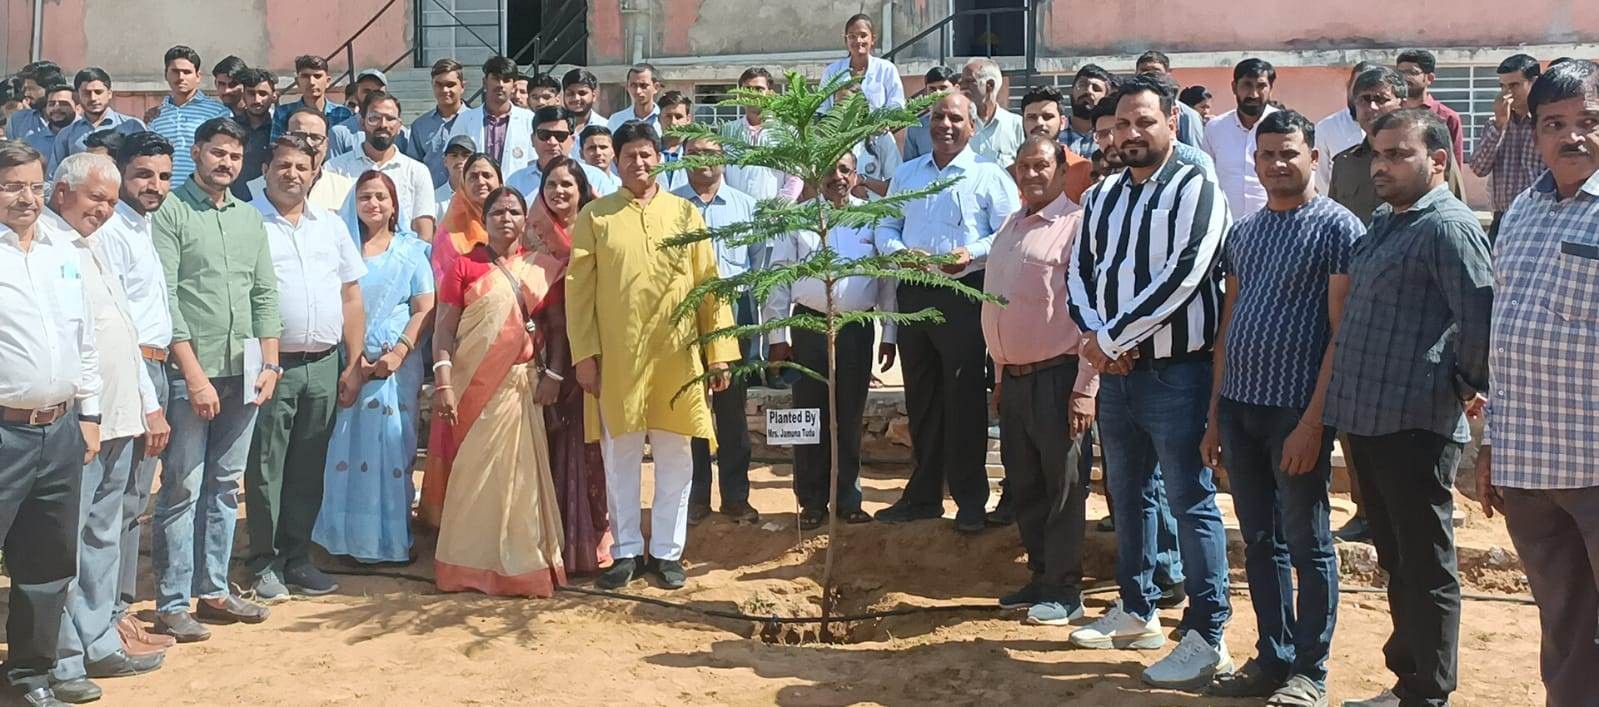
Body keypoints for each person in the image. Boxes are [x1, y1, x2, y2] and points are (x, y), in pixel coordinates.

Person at [1064, 74, 1234, 688]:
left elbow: (1185, 275)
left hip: (1177, 375)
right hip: (1119, 375)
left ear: (1172, 124)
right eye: (1120, 126)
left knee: (1190, 501)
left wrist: (1110, 341)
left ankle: (1208, 632)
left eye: (1144, 122)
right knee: (1127, 493)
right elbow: (1079, 270)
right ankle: (1137, 608)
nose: (1131, 135)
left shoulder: (1198, 188)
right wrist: (1099, 340)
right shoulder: (1104, 195)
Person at [1324, 109, 1493, 707]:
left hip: (1415, 422)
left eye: (1398, 154)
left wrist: (1462, 382)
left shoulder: (1448, 227)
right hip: (1368, 417)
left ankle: (1429, 691)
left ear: (1438, 161)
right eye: (1377, 154)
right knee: (1397, 557)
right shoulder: (1387, 221)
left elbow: (1480, 317)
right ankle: (1408, 681)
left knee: (1425, 561)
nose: (1382, 166)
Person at [1199, 110, 1361, 706]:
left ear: (1314, 157)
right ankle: (1273, 655)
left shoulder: (1339, 229)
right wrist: (1215, 416)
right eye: (1266, 155)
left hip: (1296, 415)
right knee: (1260, 540)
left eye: (1289, 153)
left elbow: (1341, 336)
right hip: (1240, 410)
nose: (1277, 164)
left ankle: (1309, 672)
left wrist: (1314, 424)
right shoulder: (1243, 234)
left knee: (1307, 543)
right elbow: (1229, 327)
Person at [1474, 58, 1599, 707]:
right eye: (1555, 123)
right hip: (1529, 467)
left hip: (1594, 465)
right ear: (1534, 132)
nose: (1571, 136)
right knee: (1564, 627)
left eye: (1588, 121)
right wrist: (1491, 443)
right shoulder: (1519, 211)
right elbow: (1504, 336)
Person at [567, 122, 739, 591]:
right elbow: (579, 294)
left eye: (646, 154)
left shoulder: (685, 214)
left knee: (676, 457)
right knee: (619, 457)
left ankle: (666, 552)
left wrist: (719, 352)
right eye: (629, 156)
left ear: (659, 157)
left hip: (677, 357)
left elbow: (710, 285)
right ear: (616, 162)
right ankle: (624, 551)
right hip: (617, 360)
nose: (639, 164)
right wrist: (586, 355)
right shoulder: (596, 217)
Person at [150, 116, 282, 641]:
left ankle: (214, 590)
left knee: (225, 487)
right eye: (216, 153)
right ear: (198, 152)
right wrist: (195, 377)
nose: (225, 163)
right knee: (181, 487)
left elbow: (265, 295)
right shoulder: (171, 213)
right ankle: (172, 601)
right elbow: (168, 302)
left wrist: (270, 363)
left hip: (245, 374)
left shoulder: (250, 219)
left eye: (233, 155)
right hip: (191, 376)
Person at [45, 153, 168, 703]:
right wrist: (88, 416)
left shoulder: (97, 243)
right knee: (64, 543)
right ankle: (63, 657)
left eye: (110, 200)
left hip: (121, 416)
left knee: (103, 536)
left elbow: (123, 324)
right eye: (96, 197)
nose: (104, 209)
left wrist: (148, 405)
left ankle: (98, 641)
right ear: (61, 190)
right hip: (81, 422)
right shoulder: (42, 247)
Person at [873, 93, 1020, 533]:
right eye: (938, 117)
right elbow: (885, 224)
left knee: (964, 400)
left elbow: (1009, 231)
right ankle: (922, 495)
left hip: (964, 293)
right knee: (921, 397)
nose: (946, 125)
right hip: (916, 292)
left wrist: (971, 252)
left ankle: (970, 500)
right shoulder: (908, 173)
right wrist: (900, 252)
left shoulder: (989, 176)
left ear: (972, 126)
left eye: (956, 118)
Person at [0, 142, 103, 707]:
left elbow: (82, 339)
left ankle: (29, 678)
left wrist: (88, 413)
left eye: (34, 186)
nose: (26, 197)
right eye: (12, 185)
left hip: (60, 431)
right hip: (3, 431)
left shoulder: (62, 251)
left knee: (47, 563)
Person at [244, 136, 367, 601]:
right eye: (283, 165)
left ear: (315, 173)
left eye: (302, 166)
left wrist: (353, 363)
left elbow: (351, 297)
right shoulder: (250, 221)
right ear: (266, 168)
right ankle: (263, 563)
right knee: (265, 467)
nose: (293, 173)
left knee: (308, 465)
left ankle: (297, 558)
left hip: (323, 363)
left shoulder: (331, 227)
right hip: (270, 365)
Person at [982, 135, 1098, 626]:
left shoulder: (1076, 227)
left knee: (1063, 486)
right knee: (1025, 483)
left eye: (1041, 166)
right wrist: (1002, 375)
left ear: (1060, 170)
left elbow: (1092, 313)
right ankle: (1040, 575)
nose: (1031, 175)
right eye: (1023, 167)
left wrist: (1085, 389)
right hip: (1017, 380)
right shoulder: (1010, 226)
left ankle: (1065, 589)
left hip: (1060, 376)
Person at [432, 185, 568, 596]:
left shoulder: (543, 269)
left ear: (524, 220)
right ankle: (467, 568)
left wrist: (555, 378)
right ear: (484, 218)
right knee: (473, 477)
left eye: (513, 211)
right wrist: (443, 382)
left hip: (520, 390)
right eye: (497, 211)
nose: (505, 218)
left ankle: (522, 567)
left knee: (519, 479)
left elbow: (559, 330)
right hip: (472, 389)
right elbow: (444, 328)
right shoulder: (463, 267)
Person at [766, 151, 896, 530]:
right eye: (829, 170)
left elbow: (886, 281)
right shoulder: (800, 219)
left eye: (844, 169)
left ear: (856, 174)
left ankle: (848, 499)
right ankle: (811, 502)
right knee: (809, 416)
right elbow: (778, 280)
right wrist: (777, 337)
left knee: (849, 416)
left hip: (855, 328)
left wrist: (889, 334)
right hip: (808, 327)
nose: (837, 177)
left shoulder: (872, 219)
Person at [313, 170, 435, 566]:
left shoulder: (412, 250)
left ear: (395, 204)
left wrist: (398, 352)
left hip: (396, 366)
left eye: (381, 197)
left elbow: (424, 307)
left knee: (392, 448)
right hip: (350, 364)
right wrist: (355, 363)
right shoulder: (341, 248)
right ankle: (345, 539)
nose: (373, 205)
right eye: (365, 197)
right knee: (344, 447)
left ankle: (389, 540)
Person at [97, 131, 180, 659]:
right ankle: (104, 621)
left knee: (132, 502)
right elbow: (118, 323)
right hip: (133, 374)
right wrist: (147, 400)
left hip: (156, 366)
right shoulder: (111, 233)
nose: (155, 186)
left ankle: (117, 613)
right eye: (144, 174)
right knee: (113, 505)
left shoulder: (144, 225)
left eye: (164, 177)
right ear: (121, 173)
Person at [527, 156, 613, 573]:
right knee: (552, 444)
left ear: (582, 190)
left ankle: (594, 538)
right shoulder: (531, 236)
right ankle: (553, 539)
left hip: (594, 351)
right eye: (551, 184)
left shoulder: (598, 229)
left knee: (591, 447)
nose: (559, 192)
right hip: (546, 356)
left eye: (567, 184)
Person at [669, 136, 760, 526]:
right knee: (692, 409)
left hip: (734, 312)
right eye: (695, 154)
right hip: (685, 314)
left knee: (732, 410)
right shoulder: (670, 205)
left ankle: (737, 496)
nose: (704, 161)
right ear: (682, 159)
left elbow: (760, 266)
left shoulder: (746, 206)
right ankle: (697, 497)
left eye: (712, 154)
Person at [419, 151, 502, 526]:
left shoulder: (515, 224)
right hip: (461, 346)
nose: (482, 183)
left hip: (505, 350)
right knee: (458, 430)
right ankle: (453, 522)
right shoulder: (448, 236)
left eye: (488, 175)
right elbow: (444, 300)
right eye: (474, 177)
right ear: (462, 183)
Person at [1330, 67, 1468, 225]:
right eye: (1364, 99)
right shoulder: (1345, 163)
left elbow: (1455, 211)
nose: (1372, 107)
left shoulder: (1426, 154)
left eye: (1380, 99)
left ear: (1402, 104)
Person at [326, 91, 437, 236]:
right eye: (374, 118)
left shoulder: (417, 171)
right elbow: (328, 225)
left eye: (390, 119)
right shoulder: (335, 168)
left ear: (399, 126)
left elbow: (424, 232)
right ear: (361, 123)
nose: (383, 125)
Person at [1468, 53, 1545, 241]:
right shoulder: (1495, 124)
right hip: (1503, 217)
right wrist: (1499, 126)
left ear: (1533, 83)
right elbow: (1478, 168)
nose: (1506, 93)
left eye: (1514, 85)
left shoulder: (1546, 124)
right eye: (1502, 86)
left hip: (1539, 215)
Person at [1202, 58, 1279, 219]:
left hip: (1276, 225)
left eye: (1261, 86)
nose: (1253, 94)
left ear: (1271, 89)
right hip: (1226, 226)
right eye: (1247, 85)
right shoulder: (1215, 128)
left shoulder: (1285, 129)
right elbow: (1207, 178)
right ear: (1234, 87)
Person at [147, 46, 232, 187]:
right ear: (165, 74)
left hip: (202, 193)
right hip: (164, 195)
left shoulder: (218, 113)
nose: (181, 77)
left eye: (186, 72)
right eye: (175, 71)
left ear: (198, 76)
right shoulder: (155, 117)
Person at [244, 106, 356, 213]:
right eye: (299, 136)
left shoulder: (345, 190)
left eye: (315, 138)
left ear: (326, 144)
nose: (308, 143)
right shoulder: (254, 190)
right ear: (284, 137)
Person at [720, 67, 803, 204]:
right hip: (734, 213)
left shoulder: (787, 132)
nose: (753, 95)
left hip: (774, 217)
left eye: (759, 89)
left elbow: (795, 177)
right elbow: (720, 172)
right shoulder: (727, 130)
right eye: (747, 89)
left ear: (770, 94)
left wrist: (778, 209)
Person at [449, 56, 536, 176]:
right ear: (484, 83)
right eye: (496, 78)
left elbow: (534, 163)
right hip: (476, 190)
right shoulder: (465, 119)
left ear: (514, 86)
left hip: (516, 192)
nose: (500, 84)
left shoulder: (529, 120)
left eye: (506, 80)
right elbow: (452, 159)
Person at [505, 106, 617, 199]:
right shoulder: (516, 181)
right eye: (544, 135)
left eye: (560, 136)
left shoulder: (595, 178)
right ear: (533, 140)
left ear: (572, 141)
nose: (552, 142)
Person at [53, 68, 145, 169]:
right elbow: (53, 177)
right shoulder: (67, 135)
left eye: (98, 92)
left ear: (109, 93)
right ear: (78, 96)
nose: (93, 98)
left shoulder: (132, 127)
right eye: (86, 93)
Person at [1018, 86, 1092, 202]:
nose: (1039, 123)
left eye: (1047, 117)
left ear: (1063, 122)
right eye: (1032, 117)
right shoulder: (1010, 173)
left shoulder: (1082, 169)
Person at [1313, 62, 1378, 193]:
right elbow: (1321, 180)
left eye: (1369, 88)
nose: (1363, 94)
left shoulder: (1391, 128)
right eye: (1358, 87)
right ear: (1349, 87)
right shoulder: (1326, 128)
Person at [821, 14, 906, 110]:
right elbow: (822, 110)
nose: (858, 40)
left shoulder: (886, 69)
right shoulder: (831, 72)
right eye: (852, 36)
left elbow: (897, 107)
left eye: (863, 35)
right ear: (846, 40)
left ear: (873, 39)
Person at [1395, 49, 1465, 163]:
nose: (1405, 78)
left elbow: (1454, 164)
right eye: (1400, 73)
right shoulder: (1391, 113)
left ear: (1430, 78)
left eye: (1412, 72)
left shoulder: (1447, 117)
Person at [408, 58, 466, 189]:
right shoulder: (420, 126)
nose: (445, 90)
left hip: (468, 200)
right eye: (439, 85)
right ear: (432, 86)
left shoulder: (475, 121)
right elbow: (413, 168)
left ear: (462, 87)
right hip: (431, 200)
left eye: (450, 85)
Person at [327, 69, 410, 159]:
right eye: (366, 91)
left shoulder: (401, 133)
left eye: (377, 92)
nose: (372, 96)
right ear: (356, 93)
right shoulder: (339, 133)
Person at [959, 57, 1025, 167]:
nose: (962, 87)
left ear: (990, 85)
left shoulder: (1017, 125)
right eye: (961, 82)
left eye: (969, 81)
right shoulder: (958, 125)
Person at [1133, 50, 1206, 147]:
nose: (1149, 76)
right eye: (1144, 70)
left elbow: (1194, 154)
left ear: (1167, 74)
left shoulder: (1187, 115)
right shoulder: (1125, 109)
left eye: (1155, 71)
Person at [271, 55, 353, 139]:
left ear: (328, 81)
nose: (312, 82)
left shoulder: (342, 113)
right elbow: (277, 148)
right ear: (297, 81)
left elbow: (349, 147)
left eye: (317, 76)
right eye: (305, 76)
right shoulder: (283, 113)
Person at [230, 68, 278, 201]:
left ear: (274, 96)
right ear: (243, 95)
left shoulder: (279, 130)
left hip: (271, 203)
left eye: (263, 94)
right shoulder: (230, 129)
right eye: (251, 93)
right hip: (233, 202)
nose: (257, 100)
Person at [902, 66, 956, 161]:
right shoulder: (916, 127)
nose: (937, 93)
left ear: (956, 89)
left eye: (943, 88)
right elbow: (909, 166)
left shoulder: (968, 123)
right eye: (932, 89)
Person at [1063, 64, 1115, 159]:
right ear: (1071, 91)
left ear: (1106, 97)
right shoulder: (1054, 133)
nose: (1088, 91)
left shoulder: (1113, 137)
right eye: (1082, 85)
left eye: (1096, 88)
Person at [23, 84, 75, 175]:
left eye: (63, 104)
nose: (56, 108)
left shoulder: (85, 137)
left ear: (78, 107)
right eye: (51, 104)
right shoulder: (31, 142)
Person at [606, 63, 663, 132]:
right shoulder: (616, 120)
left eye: (643, 85)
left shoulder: (667, 118)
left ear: (656, 87)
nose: (638, 91)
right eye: (633, 85)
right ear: (627, 87)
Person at [433, 134, 476, 216]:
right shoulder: (434, 199)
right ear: (445, 161)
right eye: (454, 155)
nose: (460, 160)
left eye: (466, 155)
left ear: (475, 161)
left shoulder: (484, 196)